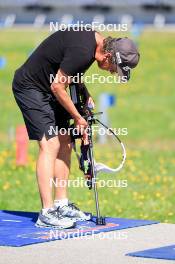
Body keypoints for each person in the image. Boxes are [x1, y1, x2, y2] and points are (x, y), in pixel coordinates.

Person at [12, 27, 140, 229]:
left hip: (52, 88)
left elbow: (70, 69)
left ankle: (61, 205)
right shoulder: (83, 49)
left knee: (66, 142)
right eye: (114, 67)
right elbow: (57, 85)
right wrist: (78, 117)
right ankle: (46, 213)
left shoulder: (92, 44)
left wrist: (83, 90)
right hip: (31, 87)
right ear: (107, 55)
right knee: (51, 144)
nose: (112, 71)